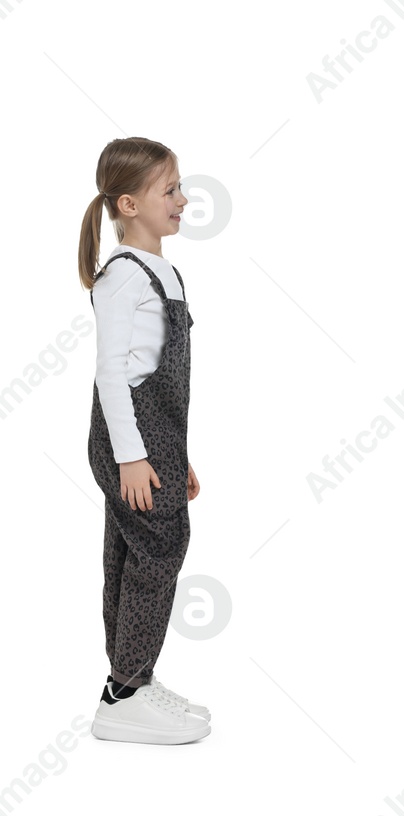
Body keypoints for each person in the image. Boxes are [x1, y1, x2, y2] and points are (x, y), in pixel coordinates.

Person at [78, 137, 212, 744]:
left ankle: (130, 680)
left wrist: (176, 455)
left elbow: (159, 379)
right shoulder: (120, 279)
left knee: (135, 552)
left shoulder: (165, 270)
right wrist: (133, 457)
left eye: (181, 187)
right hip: (128, 438)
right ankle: (126, 695)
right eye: (171, 190)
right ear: (129, 204)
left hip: (156, 436)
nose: (183, 200)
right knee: (159, 549)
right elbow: (113, 375)